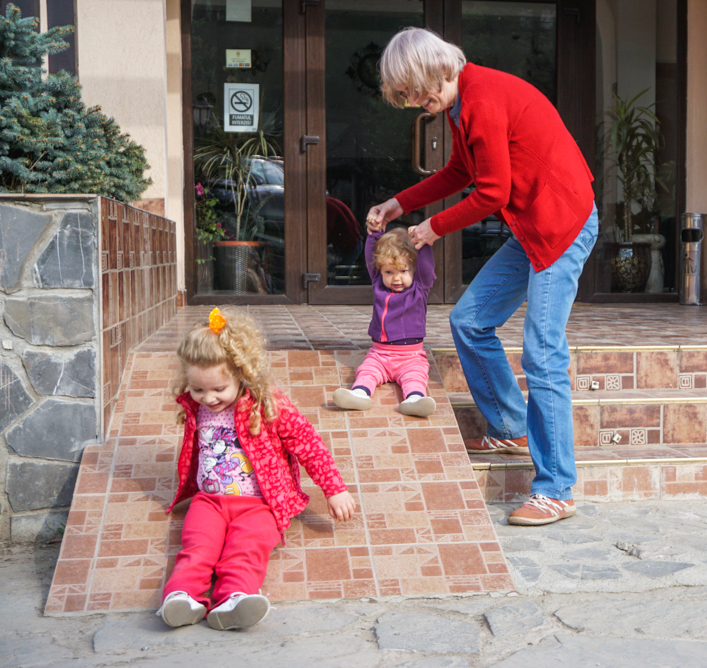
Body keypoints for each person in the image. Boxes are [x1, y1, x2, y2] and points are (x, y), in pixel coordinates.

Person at [366, 28, 598, 526]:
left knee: (542, 351)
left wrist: (429, 228)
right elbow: (459, 171)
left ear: (429, 72)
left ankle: (557, 489)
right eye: (404, 97)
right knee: (469, 320)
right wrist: (400, 202)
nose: (411, 104)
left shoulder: (482, 98)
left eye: (409, 92)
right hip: (530, 226)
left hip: (562, 222)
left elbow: (492, 192)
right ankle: (513, 427)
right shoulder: (460, 104)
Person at [158, 308, 355, 630]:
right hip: (209, 502)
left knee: (246, 550)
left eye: (218, 389)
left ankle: (234, 599)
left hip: (260, 505)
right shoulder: (195, 405)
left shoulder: (267, 405)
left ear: (242, 373)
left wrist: (334, 489)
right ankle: (181, 597)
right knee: (197, 547)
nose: (208, 398)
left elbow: (308, 443)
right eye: (198, 390)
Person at [332, 226, 437, 417]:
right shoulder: (379, 286)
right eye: (389, 272)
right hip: (379, 355)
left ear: (414, 269)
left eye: (403, 271)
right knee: (366, 371)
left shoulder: (419, 288)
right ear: (380, 271)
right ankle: (360, 394)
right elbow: (371, 258)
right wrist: (375, 234)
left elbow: (427, 268)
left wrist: (421, 243)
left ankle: (414, 399)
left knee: (415, 377)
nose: (396, 278)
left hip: (410, 357)